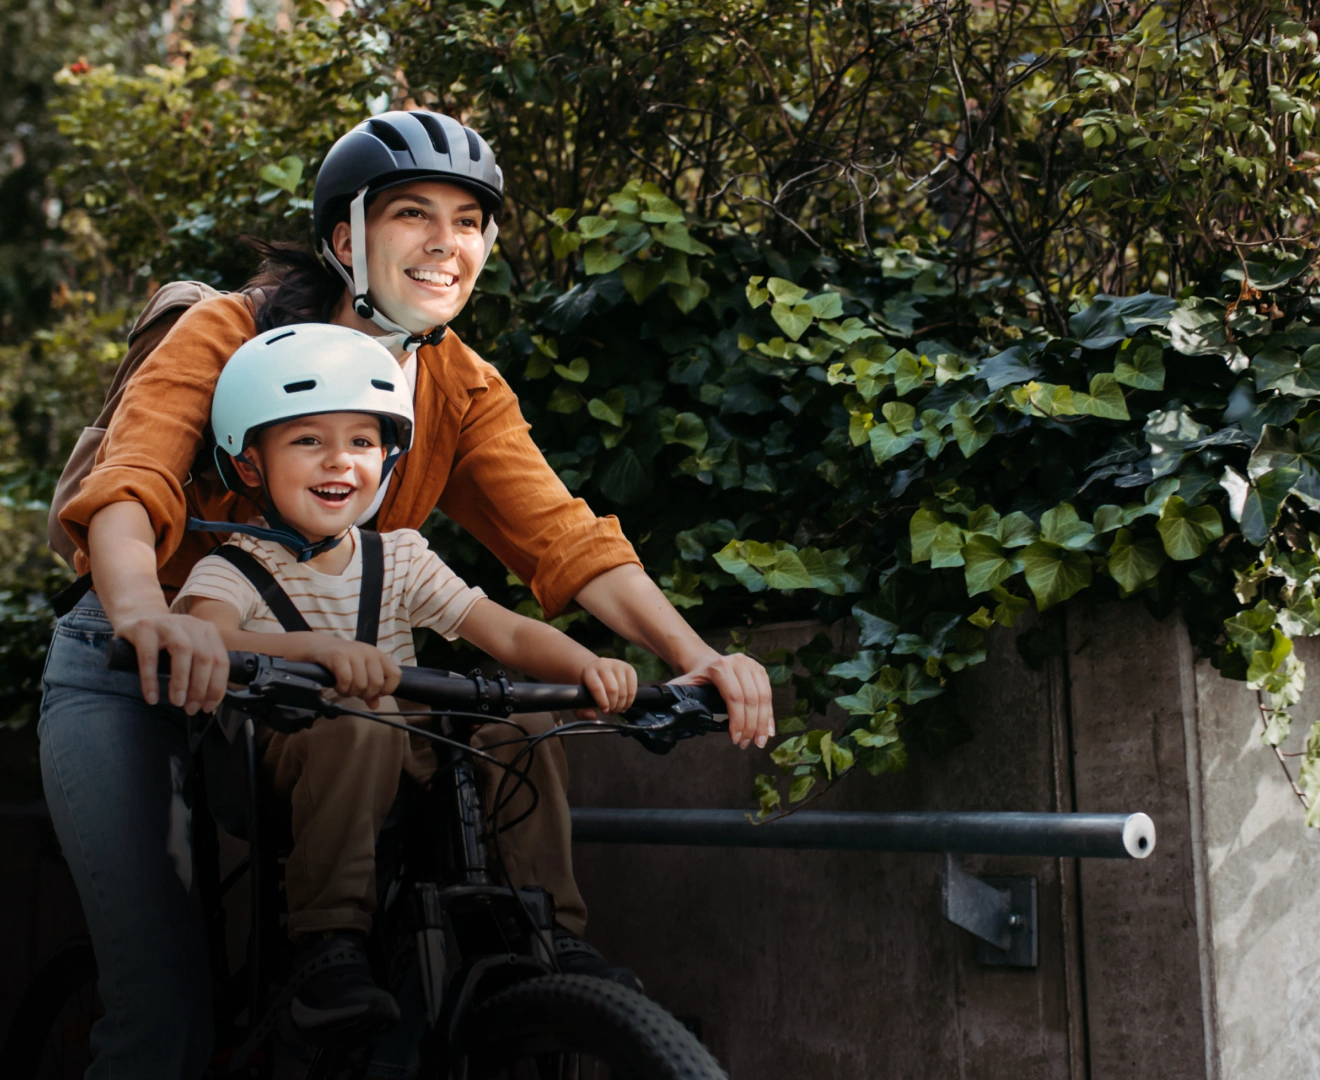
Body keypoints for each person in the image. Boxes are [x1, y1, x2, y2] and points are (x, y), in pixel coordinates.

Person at [38, 109, 774, 1079]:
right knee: (164, 1018)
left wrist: (695, 659)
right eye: (412, 214)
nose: (444, 243)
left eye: (468, 221)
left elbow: (563, 539)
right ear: (347, 239)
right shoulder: (230, 332)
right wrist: (143, 614)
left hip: (328, 694)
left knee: (406, 958)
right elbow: (132, 487)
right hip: (139, 653)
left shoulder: (458, 385)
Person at [173, 322, 641, 1037]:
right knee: (359, 716)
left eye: (363, 441)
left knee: (522, 725)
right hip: (291, 758)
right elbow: (201, 634)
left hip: (409, 751)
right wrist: (316, 650)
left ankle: (541, 925)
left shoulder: (398, 557)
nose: (340, 460)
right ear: (249, 465)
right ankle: (327, 943)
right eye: (308, 440)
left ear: (388, 457)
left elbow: (506, 632)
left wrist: (588, 666)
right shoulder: (231, 566)